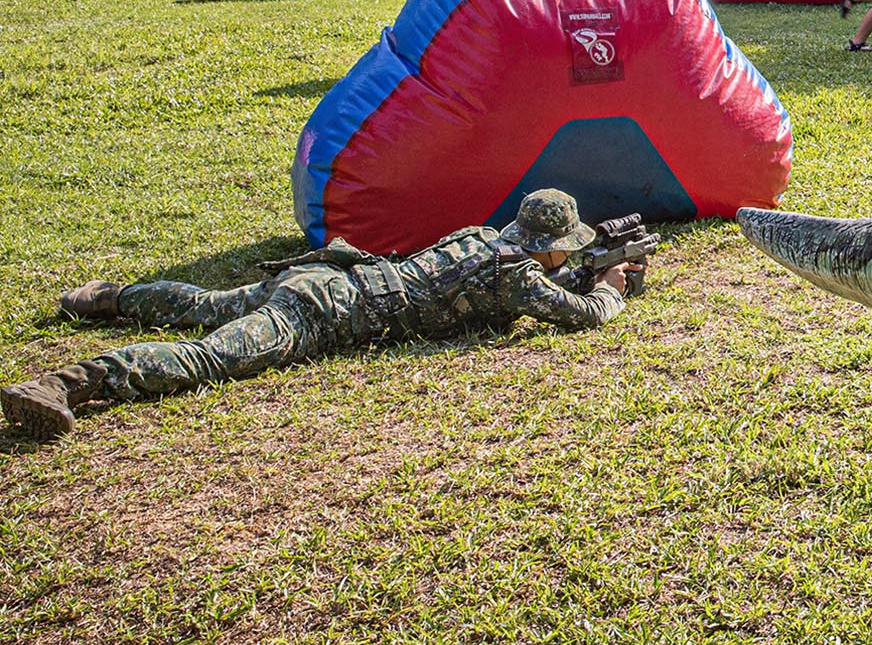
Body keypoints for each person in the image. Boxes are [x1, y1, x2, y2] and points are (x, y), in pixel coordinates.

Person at [2, 190, 643, 440]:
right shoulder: (519, 279)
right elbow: (582, 315)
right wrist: (610, 285)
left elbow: (505, 282)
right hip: (323, 314)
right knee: (210, 357)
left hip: (329, 274)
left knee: (208, 304)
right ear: (547, 245)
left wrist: (581, 268)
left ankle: (108, 296)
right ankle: (66, 384)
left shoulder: (483, 235)